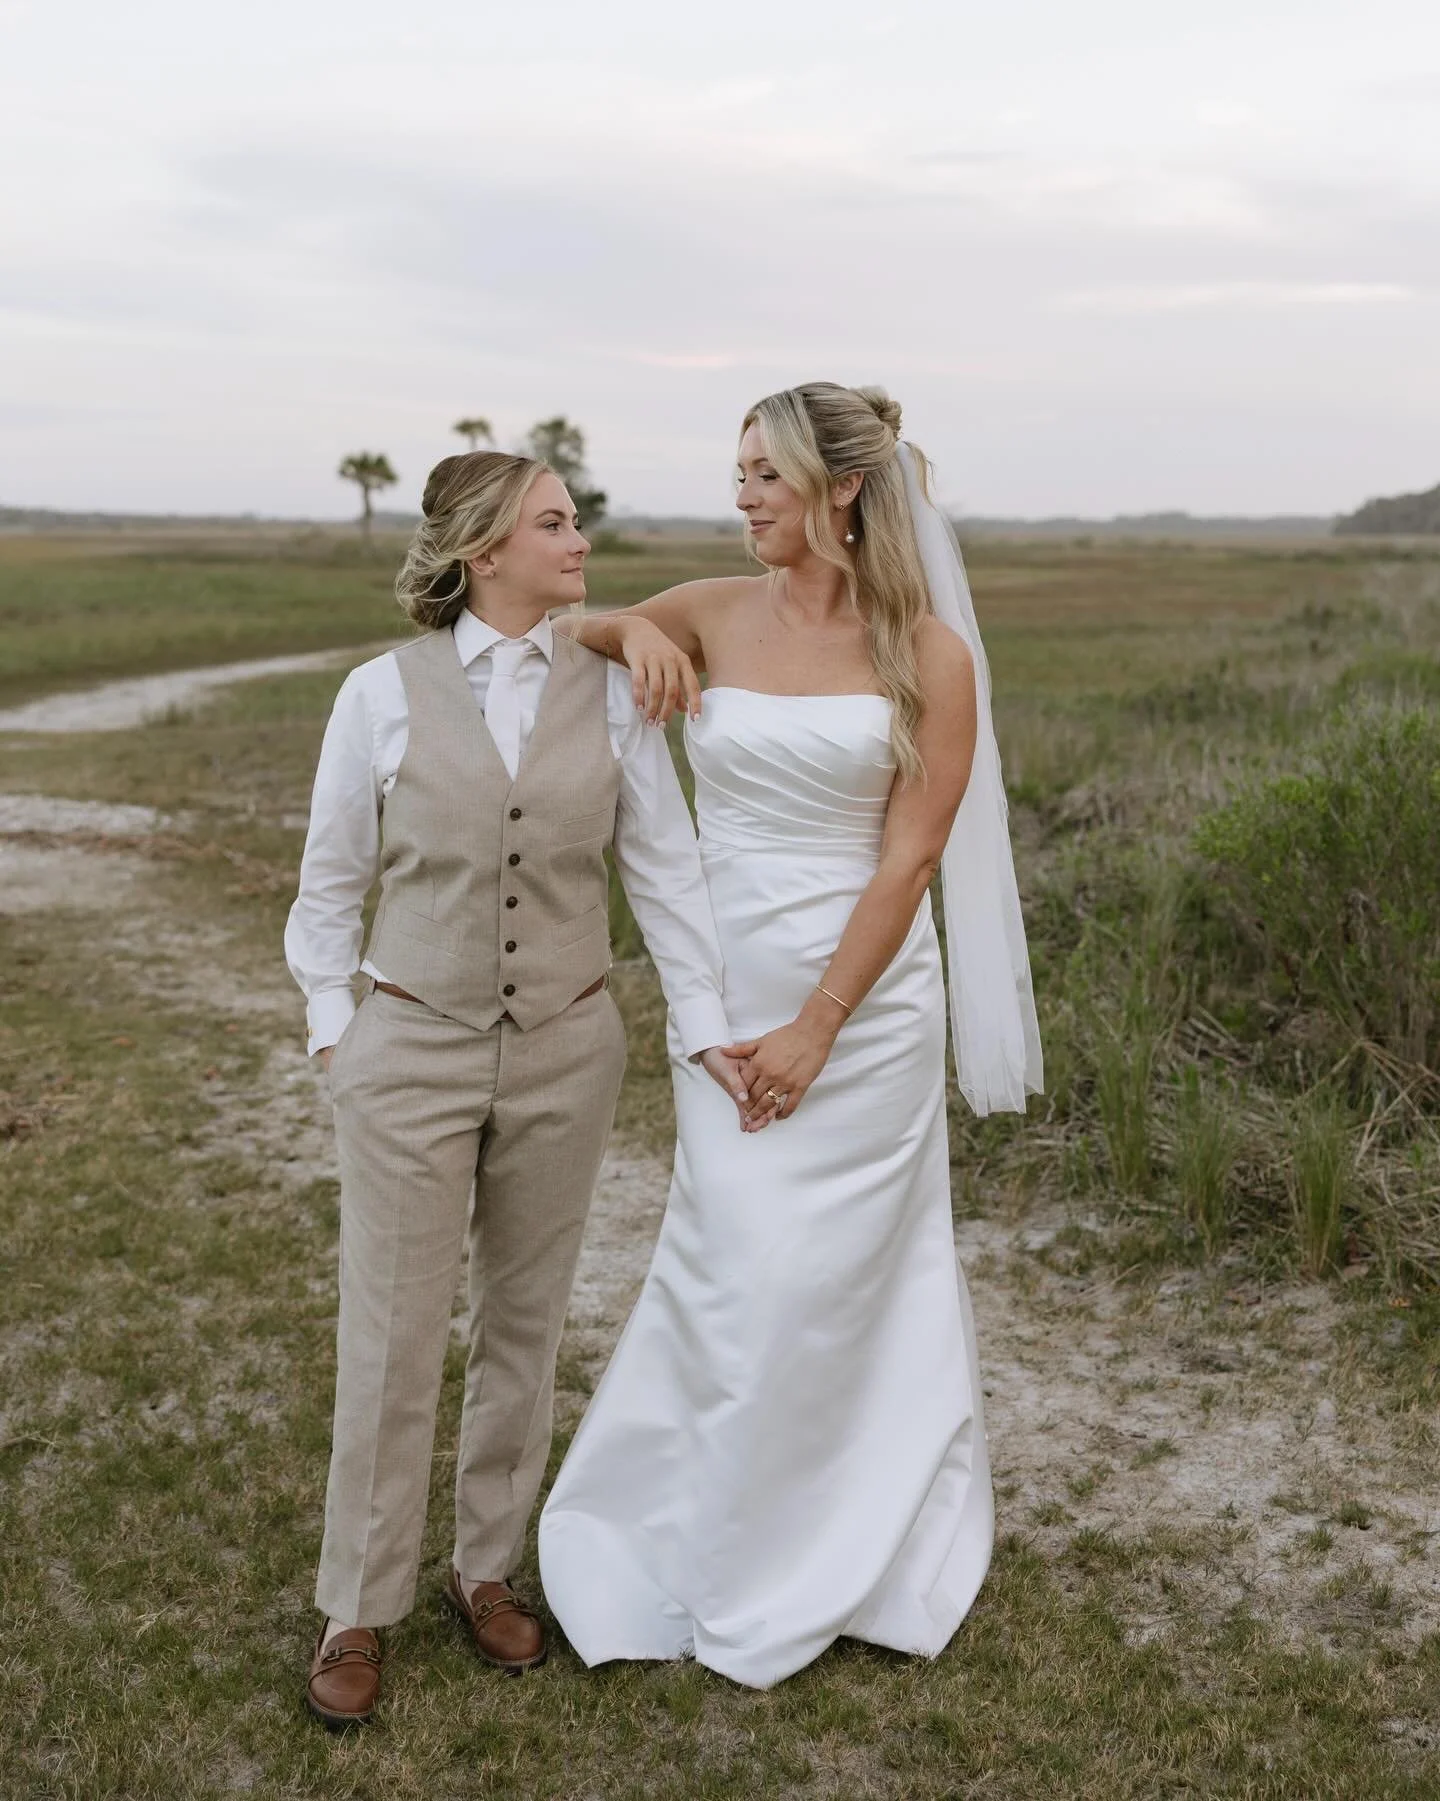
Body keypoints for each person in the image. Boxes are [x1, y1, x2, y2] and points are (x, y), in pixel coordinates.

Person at [539, 382, 1042, 1688]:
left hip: (863, 1013)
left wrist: (822, 1025)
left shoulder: (931, 653)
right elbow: (578, 628)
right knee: (731, 1262)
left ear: (845, 491)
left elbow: (912, 854)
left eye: (767, 473)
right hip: (725, 1000)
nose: (745, 495)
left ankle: (864, 1539)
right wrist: (625, 636)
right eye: (739, 472)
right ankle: (698, 1525)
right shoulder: (709, 609)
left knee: (846, 1281)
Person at [284, 450, 748, 1727]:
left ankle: (482, 1567)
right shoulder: (378, 696)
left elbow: (664, 865)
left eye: (576, 517)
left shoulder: (611, 688)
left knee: (525, 1322)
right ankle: (356, 1604)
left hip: (565, 1041)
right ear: (485, 549)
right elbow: (328, 887)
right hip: (410, 1044)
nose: (580, 536)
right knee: (390, 1331)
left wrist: (702, 1027)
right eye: (554, 522)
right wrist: (340, 1036)